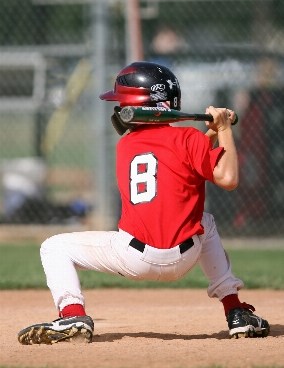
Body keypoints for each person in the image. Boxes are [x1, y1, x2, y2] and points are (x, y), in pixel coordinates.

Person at [18, 61, 269, 345]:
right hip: (186, 257)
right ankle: (235, 311)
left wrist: (213, 131)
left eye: (123, 102)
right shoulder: (188, 139)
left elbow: (179, 156)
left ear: (141, 106)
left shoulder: (126, 145)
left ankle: (72, 313)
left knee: (54, 247)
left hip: (134, 257)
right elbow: (225, 175)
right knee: (206, 222)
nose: (119, 110)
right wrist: (223, 129)